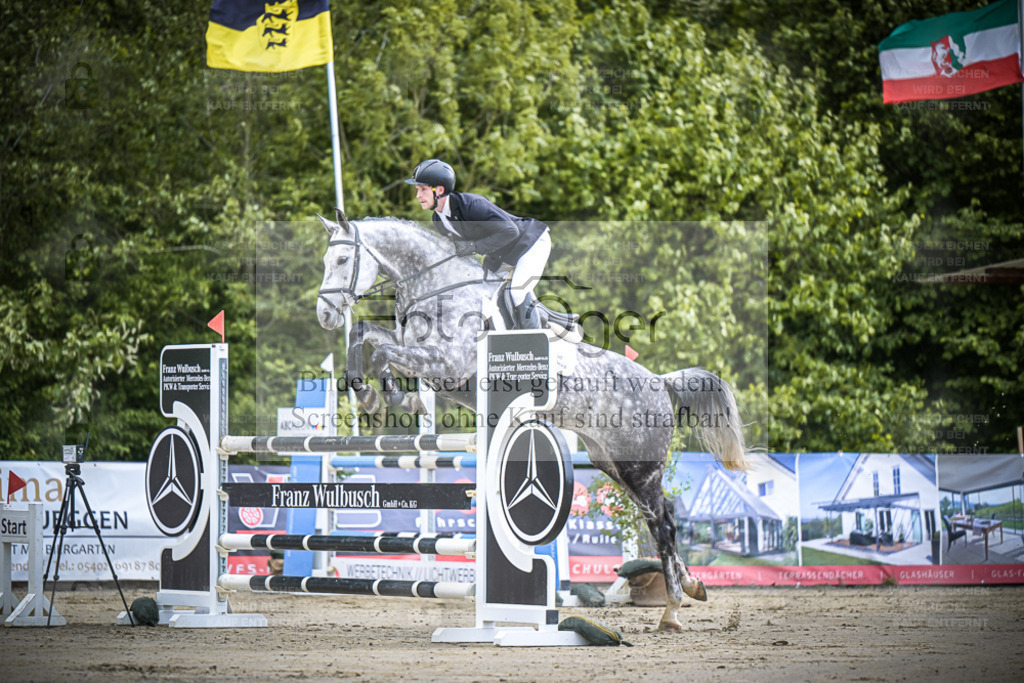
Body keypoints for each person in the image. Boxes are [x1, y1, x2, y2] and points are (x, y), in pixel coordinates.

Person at [405, 158, 550, 329]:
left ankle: (534, 341)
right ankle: (547, 322)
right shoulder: (438, 220)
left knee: (517, 293)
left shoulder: (472, 205)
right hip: (502, 255)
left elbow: (510, 231)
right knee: (487, 293)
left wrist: (474, 247)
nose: (418, 195)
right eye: (417, 190)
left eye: (423, 189)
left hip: (530, 243)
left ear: (440, 190)